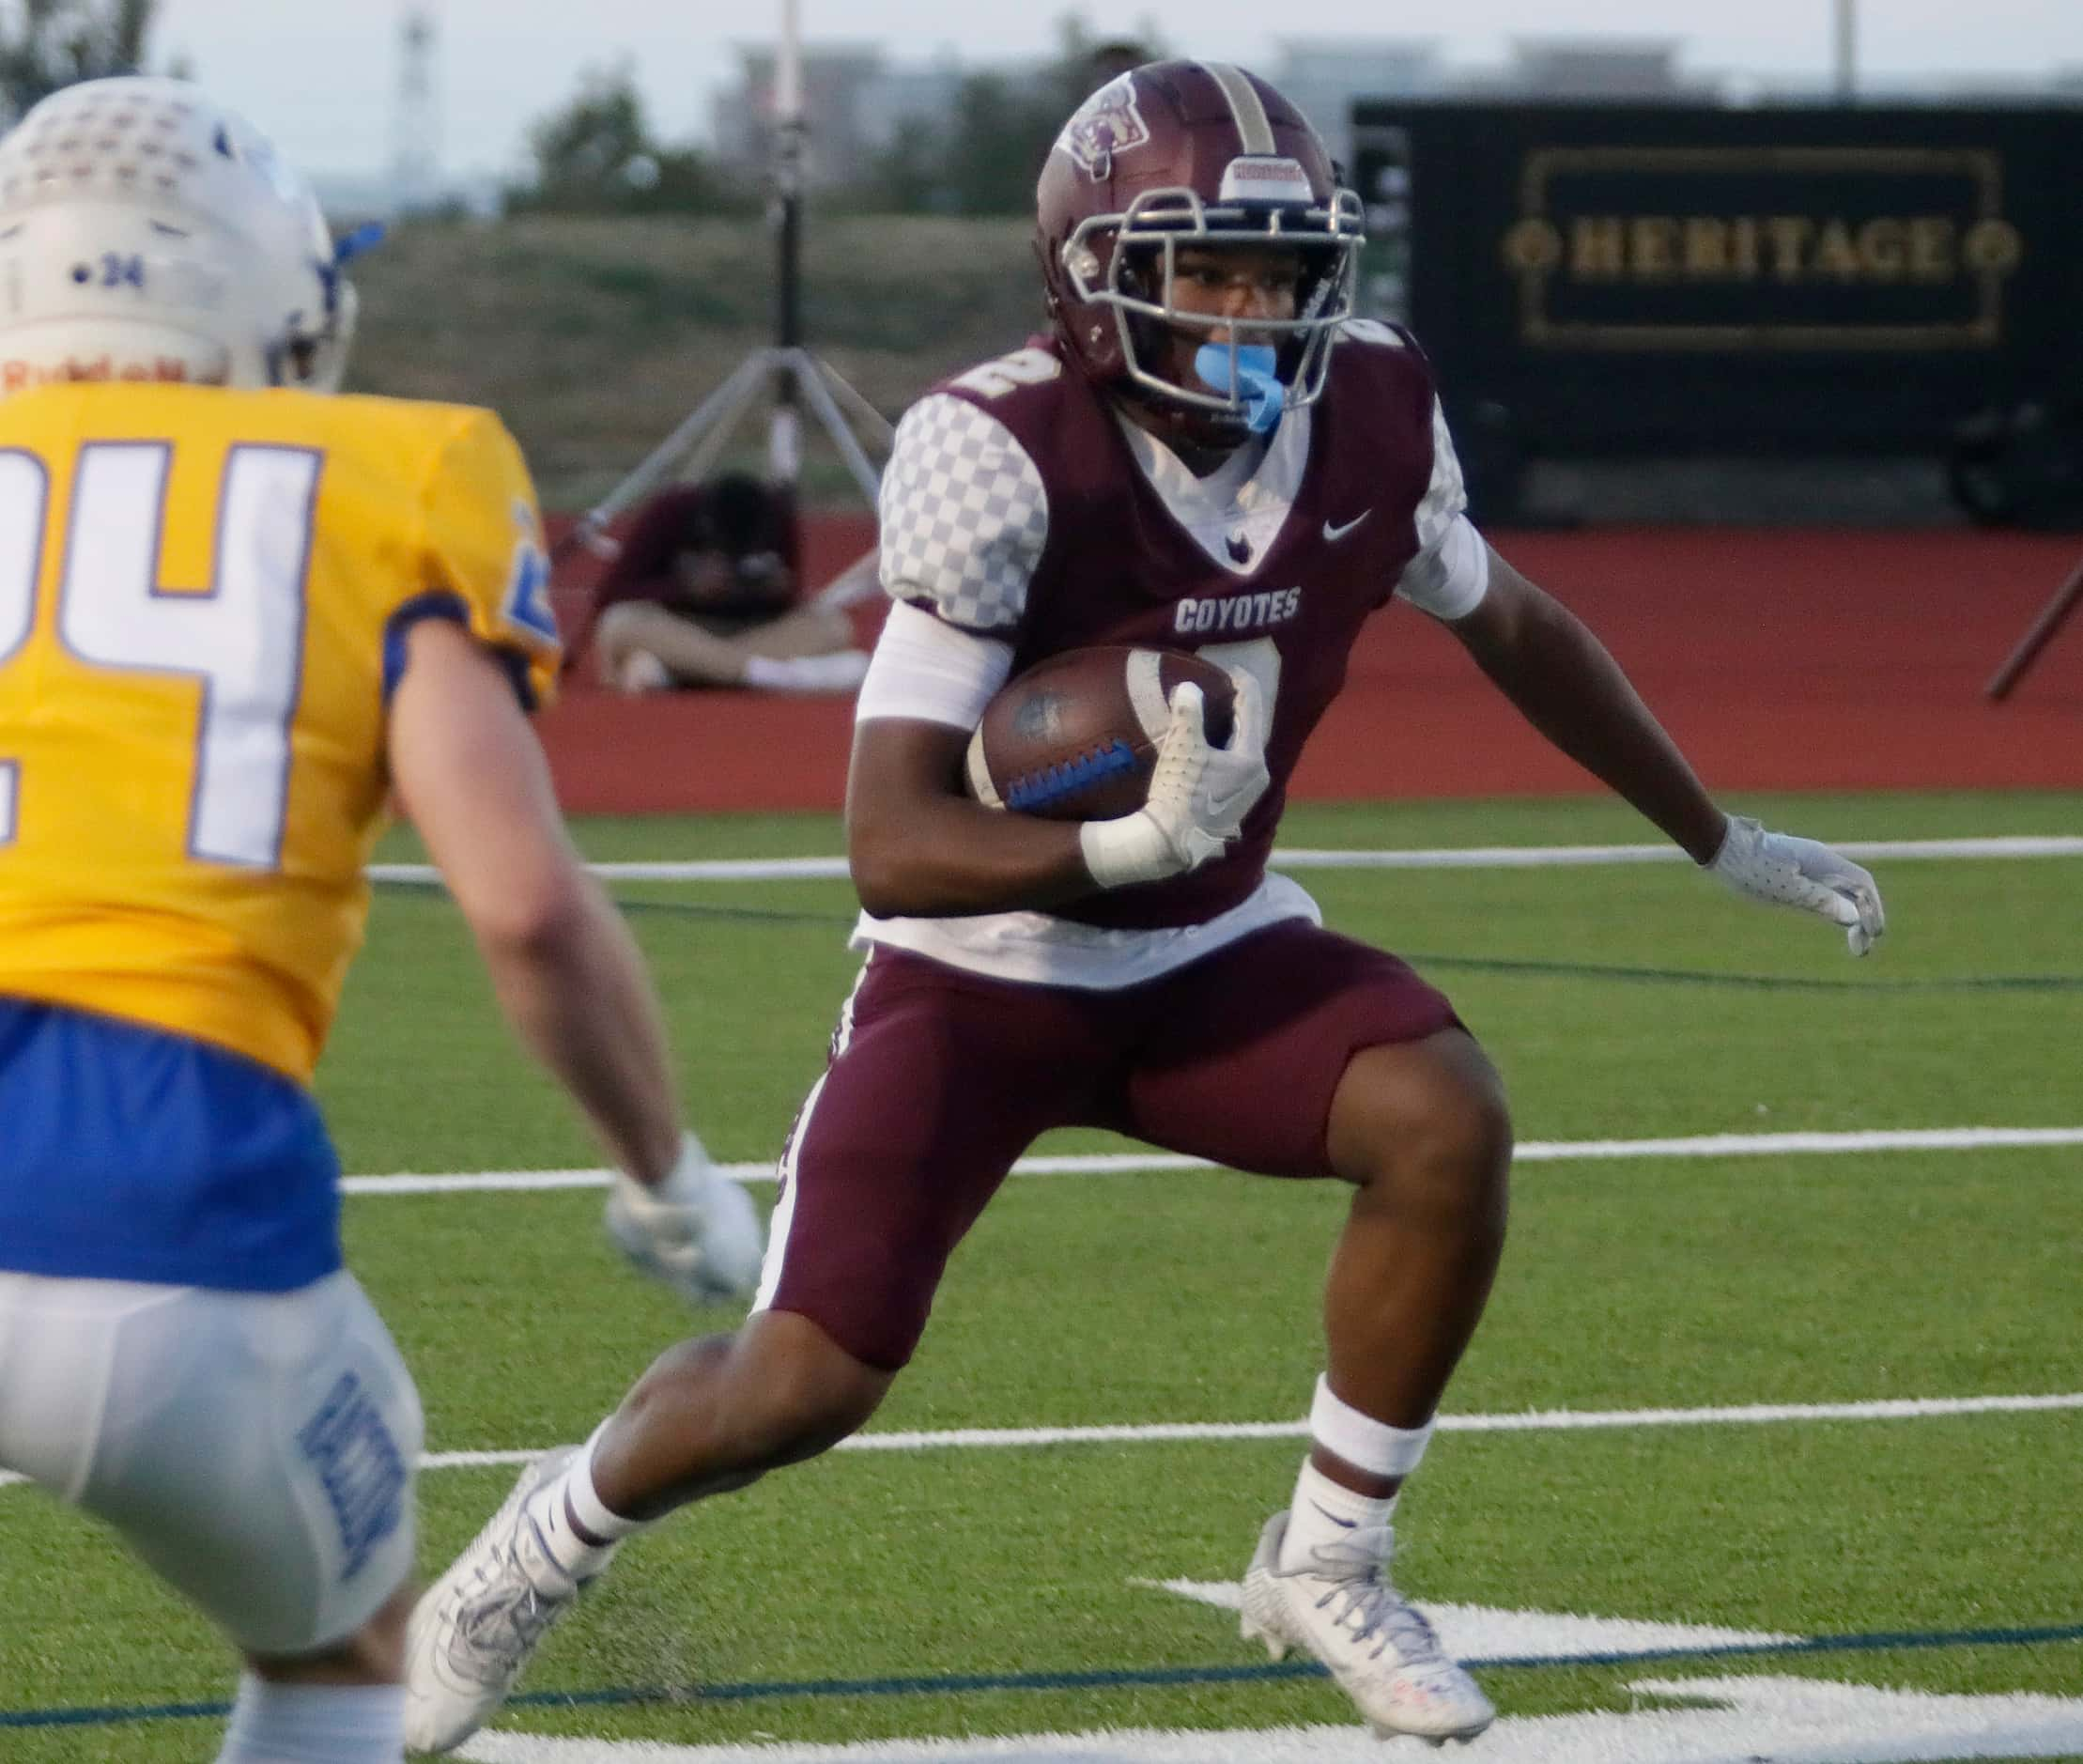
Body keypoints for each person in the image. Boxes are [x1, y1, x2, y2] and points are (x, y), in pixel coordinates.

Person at [405, 60, 1886, 1753]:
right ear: (1091, 271)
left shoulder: (1373, 407)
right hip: (979, 972)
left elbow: (1512, 623)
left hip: (1206, 956)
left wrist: (1710, 832)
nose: (1255, 312)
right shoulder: (1000, 446)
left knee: (1442, 1112)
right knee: (797, 1384)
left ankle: (1326, 1556)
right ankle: (537, 1544)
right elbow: (888, 841)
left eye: (1283, 272)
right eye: (1209, 272)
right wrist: (1114, 848)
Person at [0, 77, 762, 1764]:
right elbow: (526, 906)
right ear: (273, 295)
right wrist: (666, 1170)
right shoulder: (387, 470)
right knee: (344, 1650)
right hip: (139, 1190)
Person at [582, 470, 871, 694]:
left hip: (754, 630)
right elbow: (610, 595)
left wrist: (776, 591)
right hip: (681, 627)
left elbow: (793, 594)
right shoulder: (671, 511)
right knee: (619, 622)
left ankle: (686, 672)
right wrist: (684, 589)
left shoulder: (778, 515)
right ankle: (767, 675)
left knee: (834, 625)